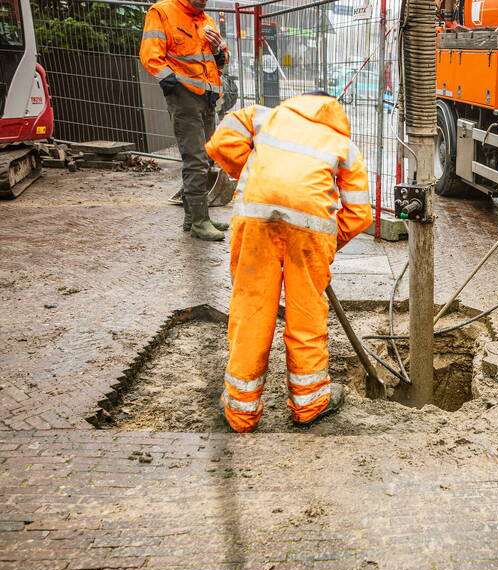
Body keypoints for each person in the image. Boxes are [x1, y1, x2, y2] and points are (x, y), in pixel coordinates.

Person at [205, 92, 372, 433]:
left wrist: (255, 174)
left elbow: (221, 144)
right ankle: (310, 404)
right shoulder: (344, 145)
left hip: (256, 218)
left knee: (251, 308)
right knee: (306, 314)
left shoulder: (262, 117)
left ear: (298, 102)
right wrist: (327, 244)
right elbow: (359, 214)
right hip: (310, 232)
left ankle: (241, 411)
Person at [139, 0, 230, 241]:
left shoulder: (206, 20)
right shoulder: (163, 12)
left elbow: (220, 62)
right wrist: (172, 85)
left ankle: (195, 218)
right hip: (185, 95)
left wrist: (218, 50)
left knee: (206, 157)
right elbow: (150, 54)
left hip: (208, 96)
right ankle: (199, 222)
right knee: (196, 159)